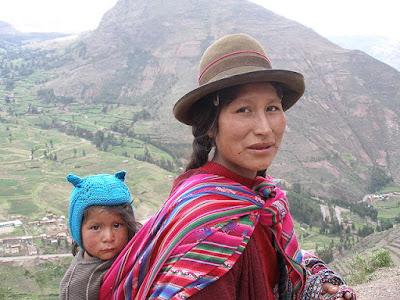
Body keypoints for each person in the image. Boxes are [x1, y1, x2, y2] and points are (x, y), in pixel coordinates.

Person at [99, 34, 356, 299]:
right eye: (244, 110)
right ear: (210, 125)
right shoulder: (213, 235)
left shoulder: (256, 199)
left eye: (272, 108)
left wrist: (312, 280)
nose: (265, 128)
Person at [59, 171, 141, 300]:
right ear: (78, 230)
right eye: (96, 228)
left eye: (117, 225)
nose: (108, 237)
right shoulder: (77, 286)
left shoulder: (138, 251)